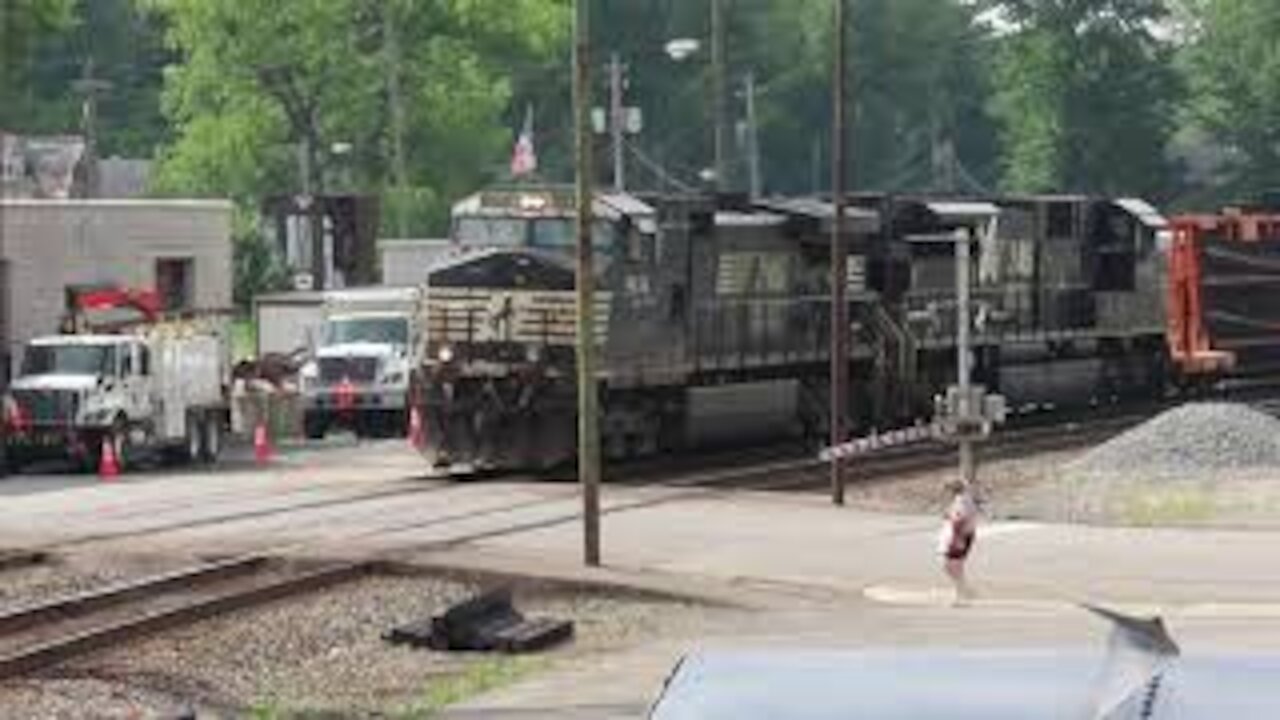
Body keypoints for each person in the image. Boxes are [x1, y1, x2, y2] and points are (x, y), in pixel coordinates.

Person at [938, 480, 979, 604]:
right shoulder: (963, 499)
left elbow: (959, 521)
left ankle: (961, 593)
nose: (946, 494)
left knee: (949, 565)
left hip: (959, 535)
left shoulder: (961, 501)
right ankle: (964, 591)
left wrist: (957, 539)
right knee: (955, 566)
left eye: (948, 490)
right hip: (964, 534)